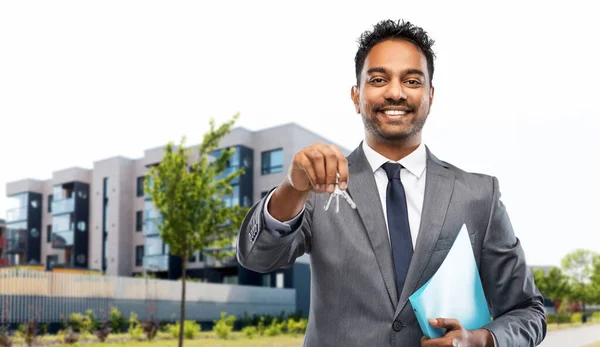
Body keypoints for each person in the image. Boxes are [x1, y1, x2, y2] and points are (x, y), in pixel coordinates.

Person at [236, 19, 546, 347]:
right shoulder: (317, 186)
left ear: (430, 95)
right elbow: (257, 259)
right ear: (356, 96)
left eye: (411, 80)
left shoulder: (479, 195)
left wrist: (483, 340)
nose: (395, 92)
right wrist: (293, 188)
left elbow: (528, 310)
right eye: (379, 79)